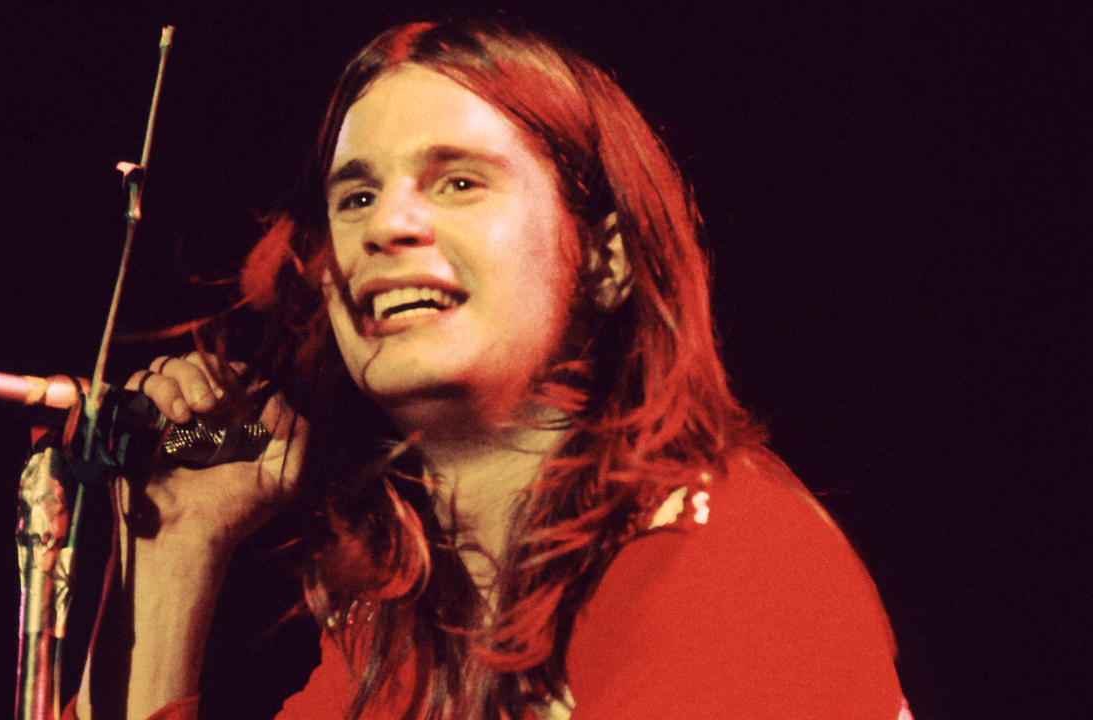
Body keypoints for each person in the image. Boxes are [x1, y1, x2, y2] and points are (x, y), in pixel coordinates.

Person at [68, 19, 910, 720]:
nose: (386, 223)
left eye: (460, 181)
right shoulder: (398, 625)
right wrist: (177, 553)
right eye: (354, 196)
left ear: (606, 261)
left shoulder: (731, 568)